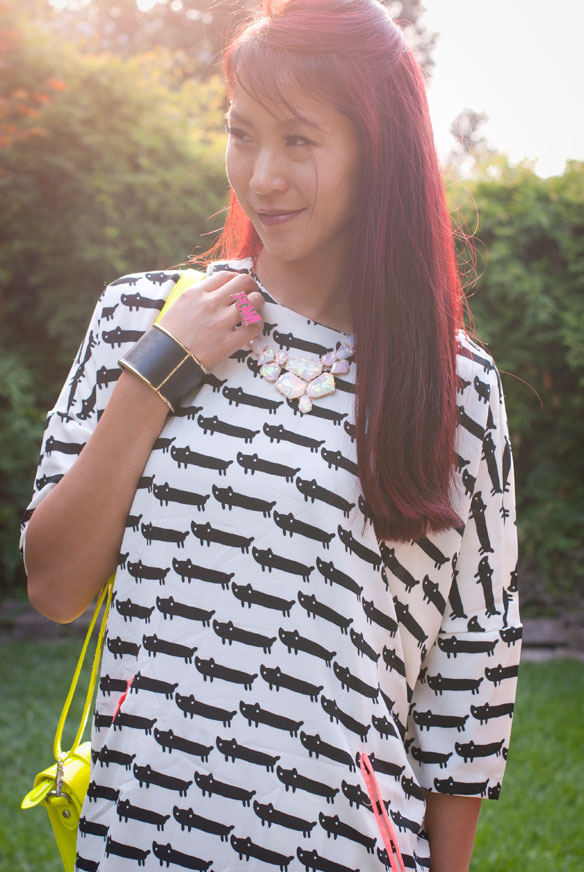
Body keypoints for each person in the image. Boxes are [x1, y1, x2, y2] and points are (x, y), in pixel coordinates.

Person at [22, 1, 521, 870]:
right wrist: (155, 377)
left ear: (379, 153)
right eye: (241, 133)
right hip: (141, 837)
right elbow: (55, 586)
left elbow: (470, 674)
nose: (262, 176)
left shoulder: (456, 384)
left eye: (299, 140)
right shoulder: (140, 317)